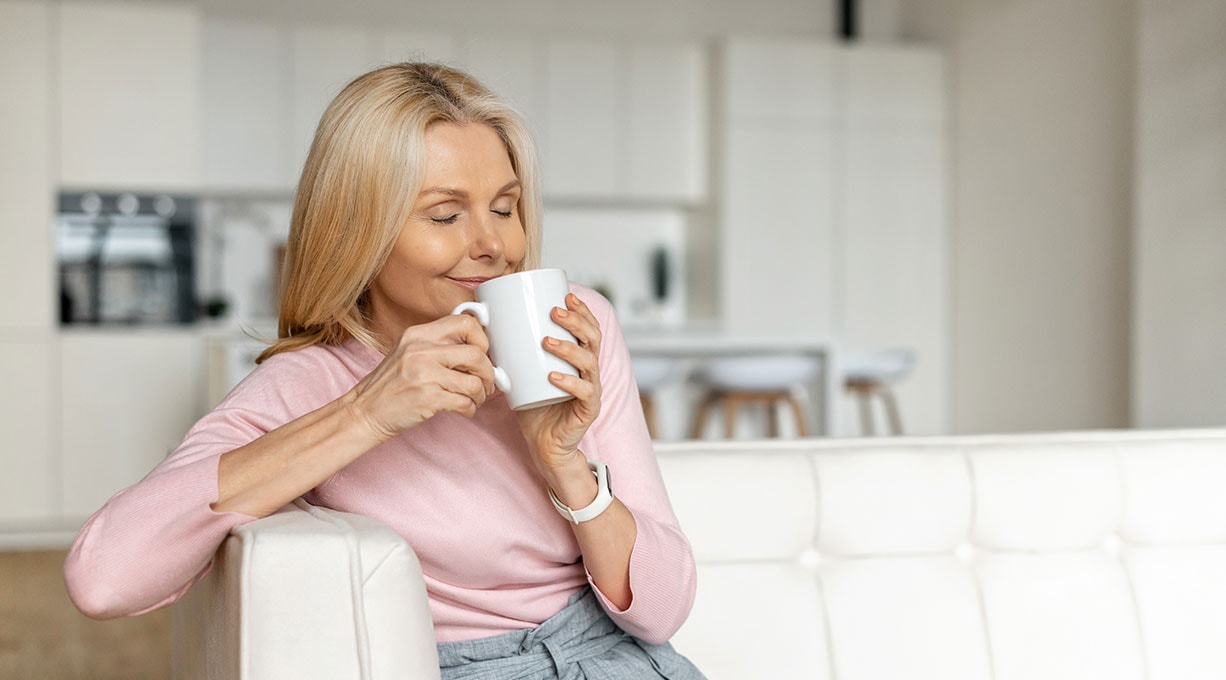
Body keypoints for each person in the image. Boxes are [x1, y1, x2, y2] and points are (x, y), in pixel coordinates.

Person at [63, 62, 705, 679]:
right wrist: (367, 411)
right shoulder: (310, 383)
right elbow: (104, 577)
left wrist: (565, 462)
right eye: (445, 215)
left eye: (505, 207)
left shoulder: (573, 326)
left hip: (621, 658)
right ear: (358, 232)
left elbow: (661, 610)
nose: (494, 245)